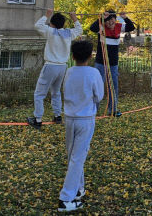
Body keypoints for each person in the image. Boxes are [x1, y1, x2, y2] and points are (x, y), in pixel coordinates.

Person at [58, 38, 104, 212]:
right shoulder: (93, 73)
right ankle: (65, 199)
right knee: (77, 158)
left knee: (73, 156)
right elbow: (99, 95)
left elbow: (65, 91)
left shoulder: (69, 72)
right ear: (90, 56)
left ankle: (78, 189)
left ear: (72, 56)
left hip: (69, 118)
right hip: (85, 119)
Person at [27, 9, 82, 129]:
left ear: (52, 24)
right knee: (56, 92)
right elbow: (79, 30)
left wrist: (47, 15)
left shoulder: (50, 31)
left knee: (39, 94)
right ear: (63, 24)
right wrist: (74, 18)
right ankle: (57, 116)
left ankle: (38, 119)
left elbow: (38, 25)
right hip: (62, 67)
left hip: (51, 66)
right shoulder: (68, 33)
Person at [89, 10, 135, 117]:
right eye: (108, 20)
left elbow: (131, 27)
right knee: (97, 86)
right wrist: (102, 18)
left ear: (115, 20)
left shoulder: (119, 27)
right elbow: (92, 28)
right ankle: (93, 110)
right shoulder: (101, 26)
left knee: (113, 86)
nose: (110, 23)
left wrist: (125, 18)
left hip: (113, 63)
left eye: (112, 20)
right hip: (101, 62)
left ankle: (113, 110)